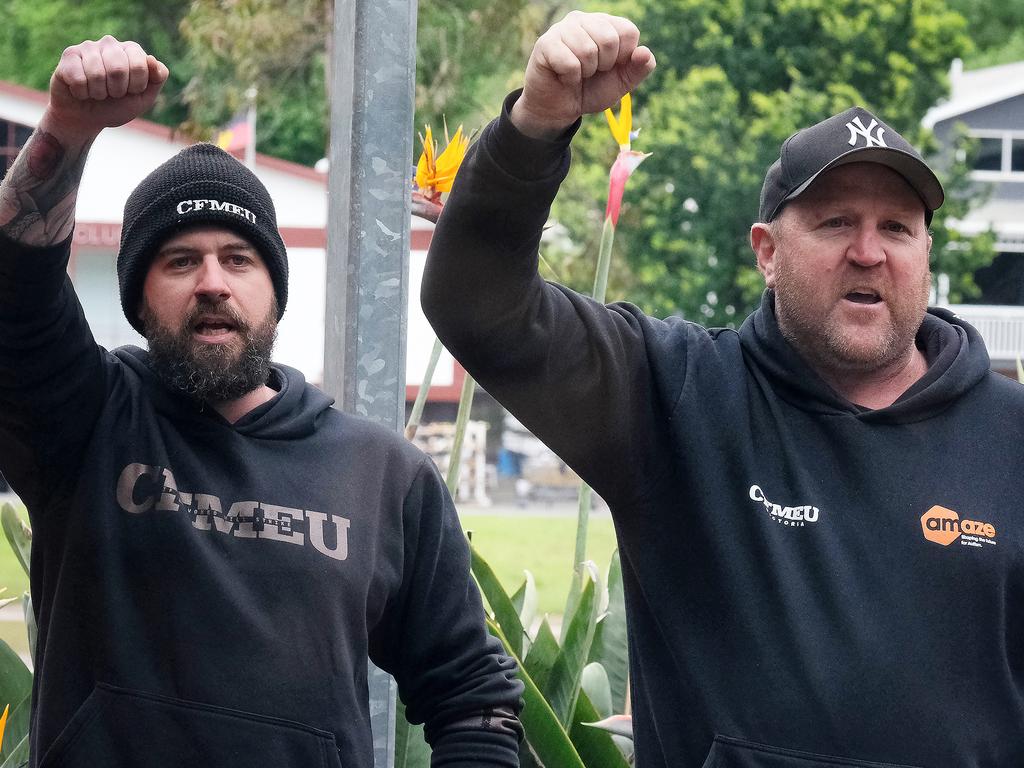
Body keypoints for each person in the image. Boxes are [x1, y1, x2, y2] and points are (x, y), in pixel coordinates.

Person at [422, 10, 1024, 767]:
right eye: (836, 222)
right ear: (767, 252)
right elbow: (479, 307)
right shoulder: (672, 396)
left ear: (925, 251)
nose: (868, 252)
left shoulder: (1011, 439)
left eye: (897, 227)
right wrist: (535, 125)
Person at [0, 36, 522, 768]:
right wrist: (67, 130)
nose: (213, 281)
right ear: (139, 300)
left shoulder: (383, 475)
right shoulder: (84, 422)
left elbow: (473, 698)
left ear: (274, 292)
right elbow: (15, 291)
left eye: (239, 259)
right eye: (180, 261)